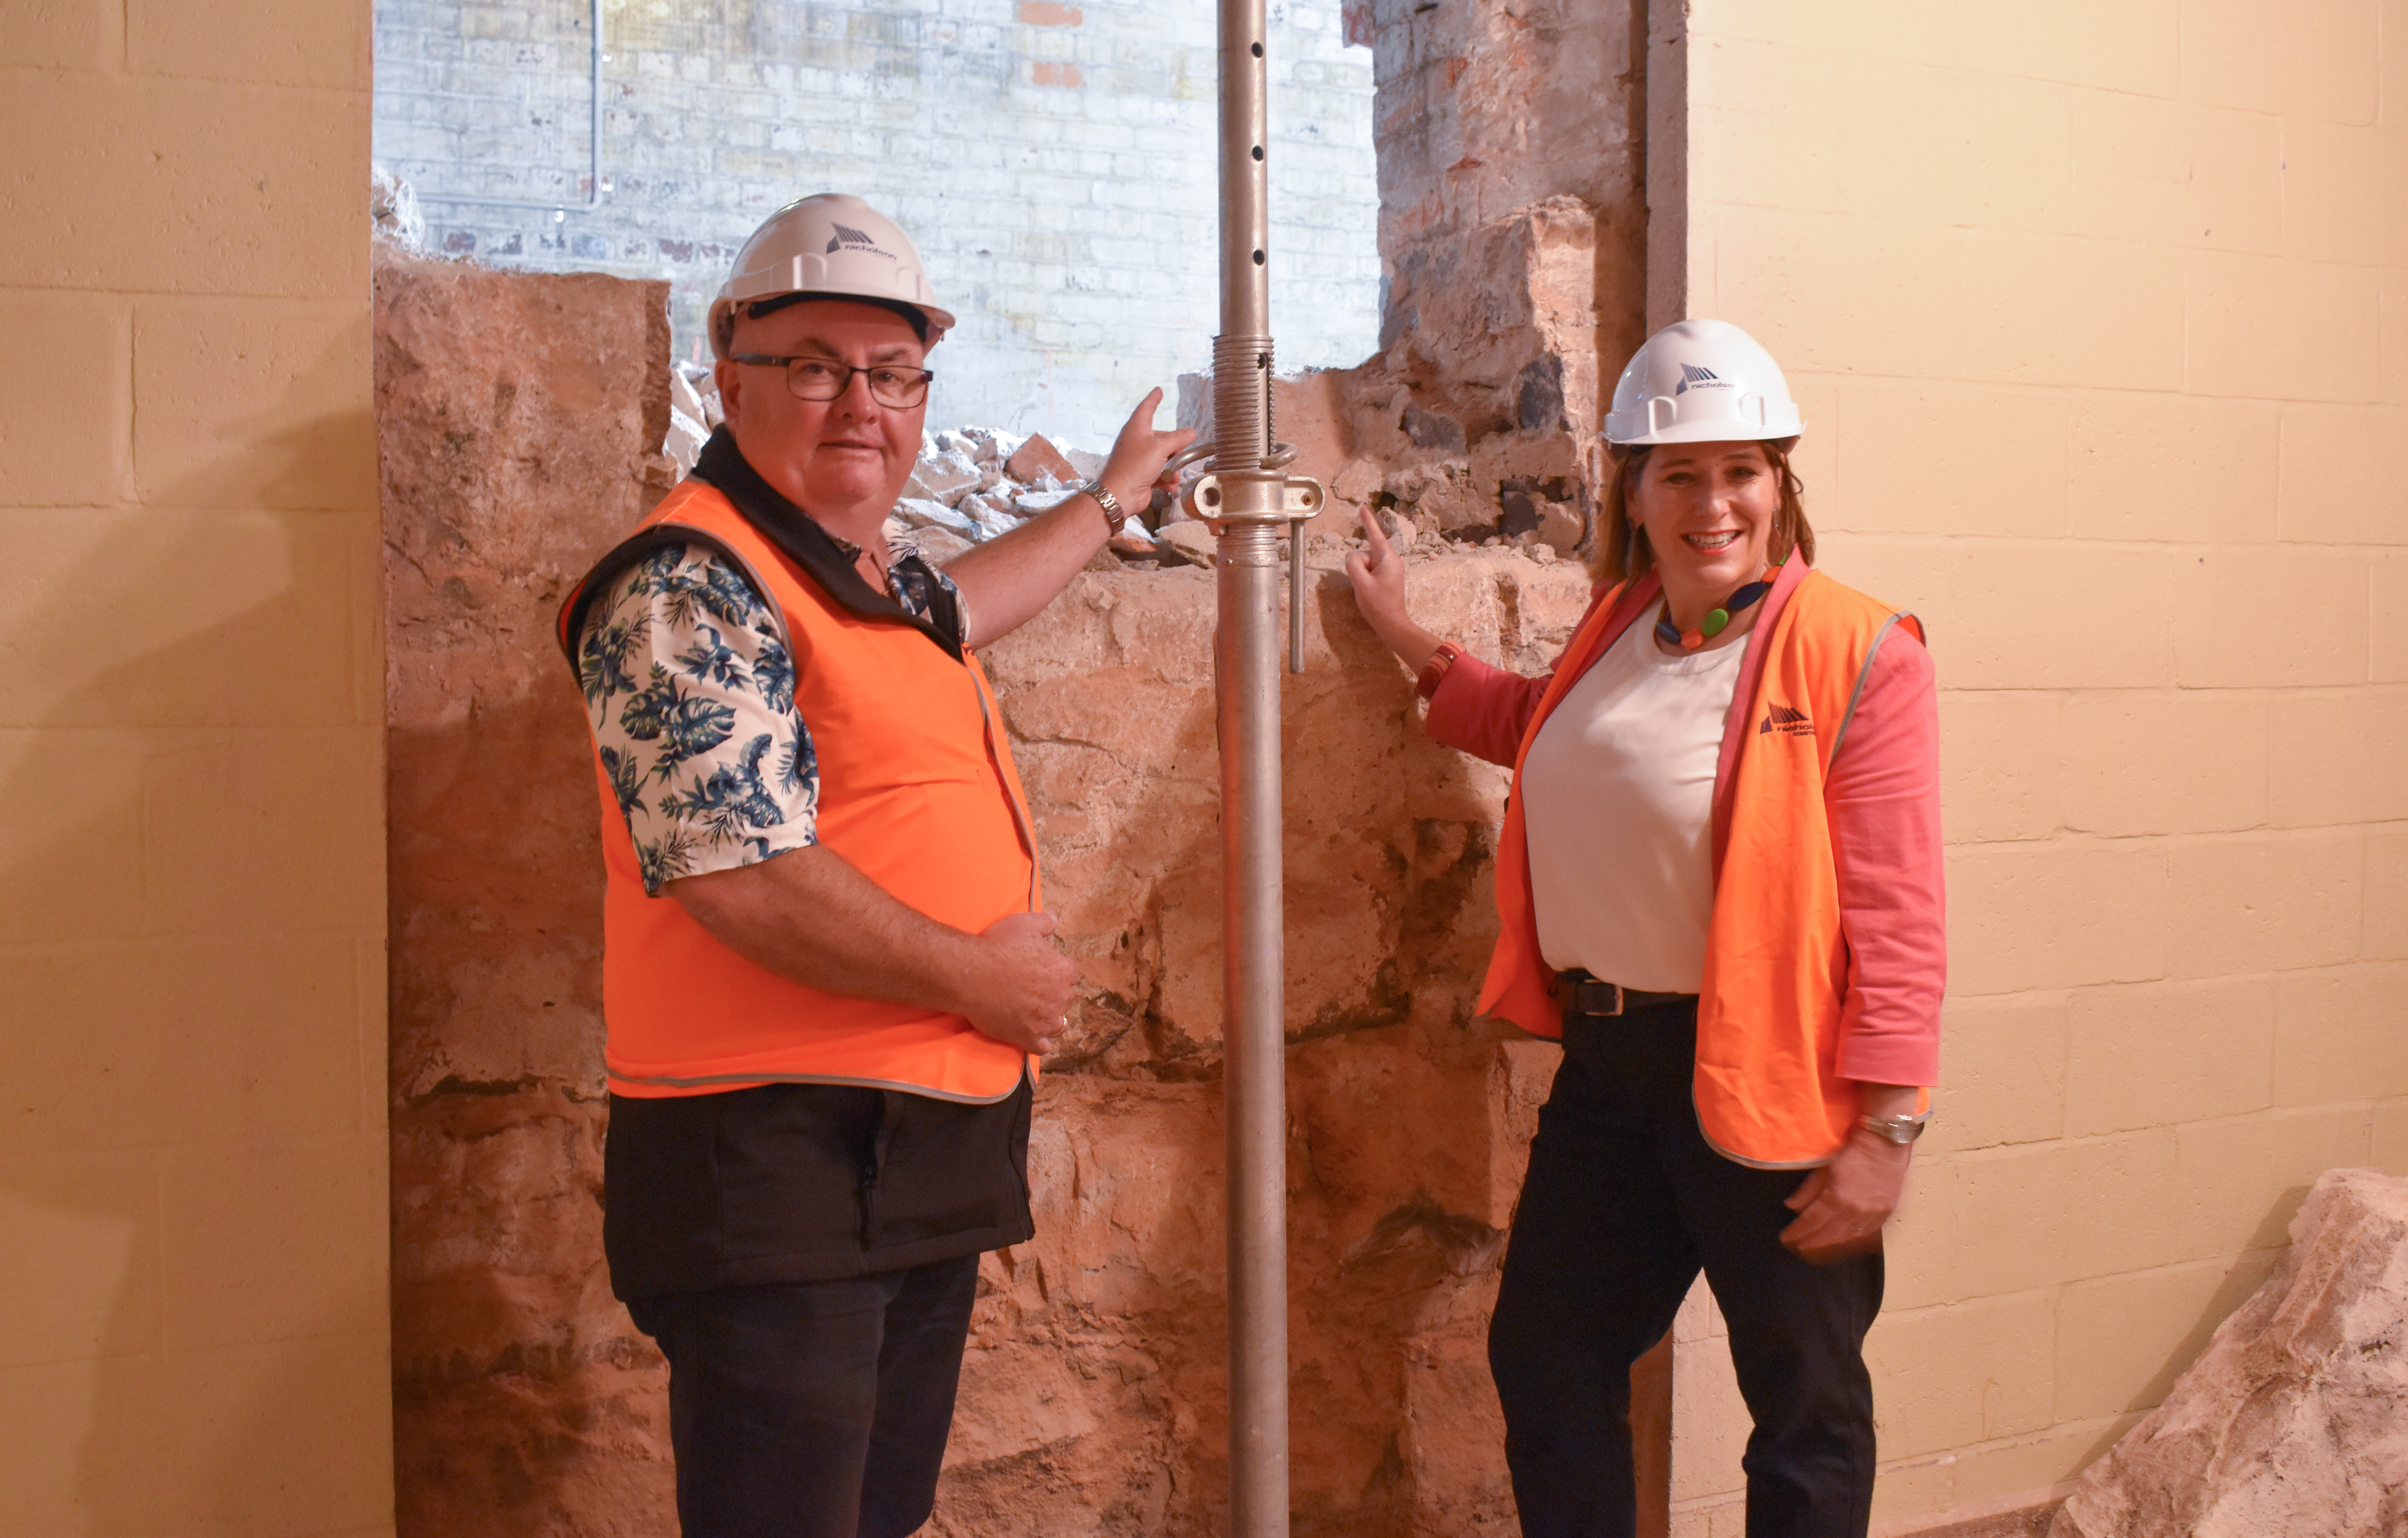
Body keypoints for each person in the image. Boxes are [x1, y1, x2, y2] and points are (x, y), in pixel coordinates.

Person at [554, 193, 1193, 1538]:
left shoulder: (862, 576)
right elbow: (737, 870)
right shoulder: (688, 582)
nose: (862, 403)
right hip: (773, 1157)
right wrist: (981, 981)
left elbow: (971, 608)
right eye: (816, 368)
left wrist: (1110, 501)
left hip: (903, 1155)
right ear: (730, 380)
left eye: (893, 374)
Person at [1344, 319, 1944, 1538]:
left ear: (1780, 485)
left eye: (1740, 471)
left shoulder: (1858, 650)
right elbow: (1545, 729)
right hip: (1614, 1073)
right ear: (1635, 489)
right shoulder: (1622, 623)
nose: (1712, 501)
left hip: (1773, 1082)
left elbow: (1900, 908)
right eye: (1680, 472)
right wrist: (1405, 636)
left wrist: (1888, 1128)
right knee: (1547, 1355)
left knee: (1805, 1406)